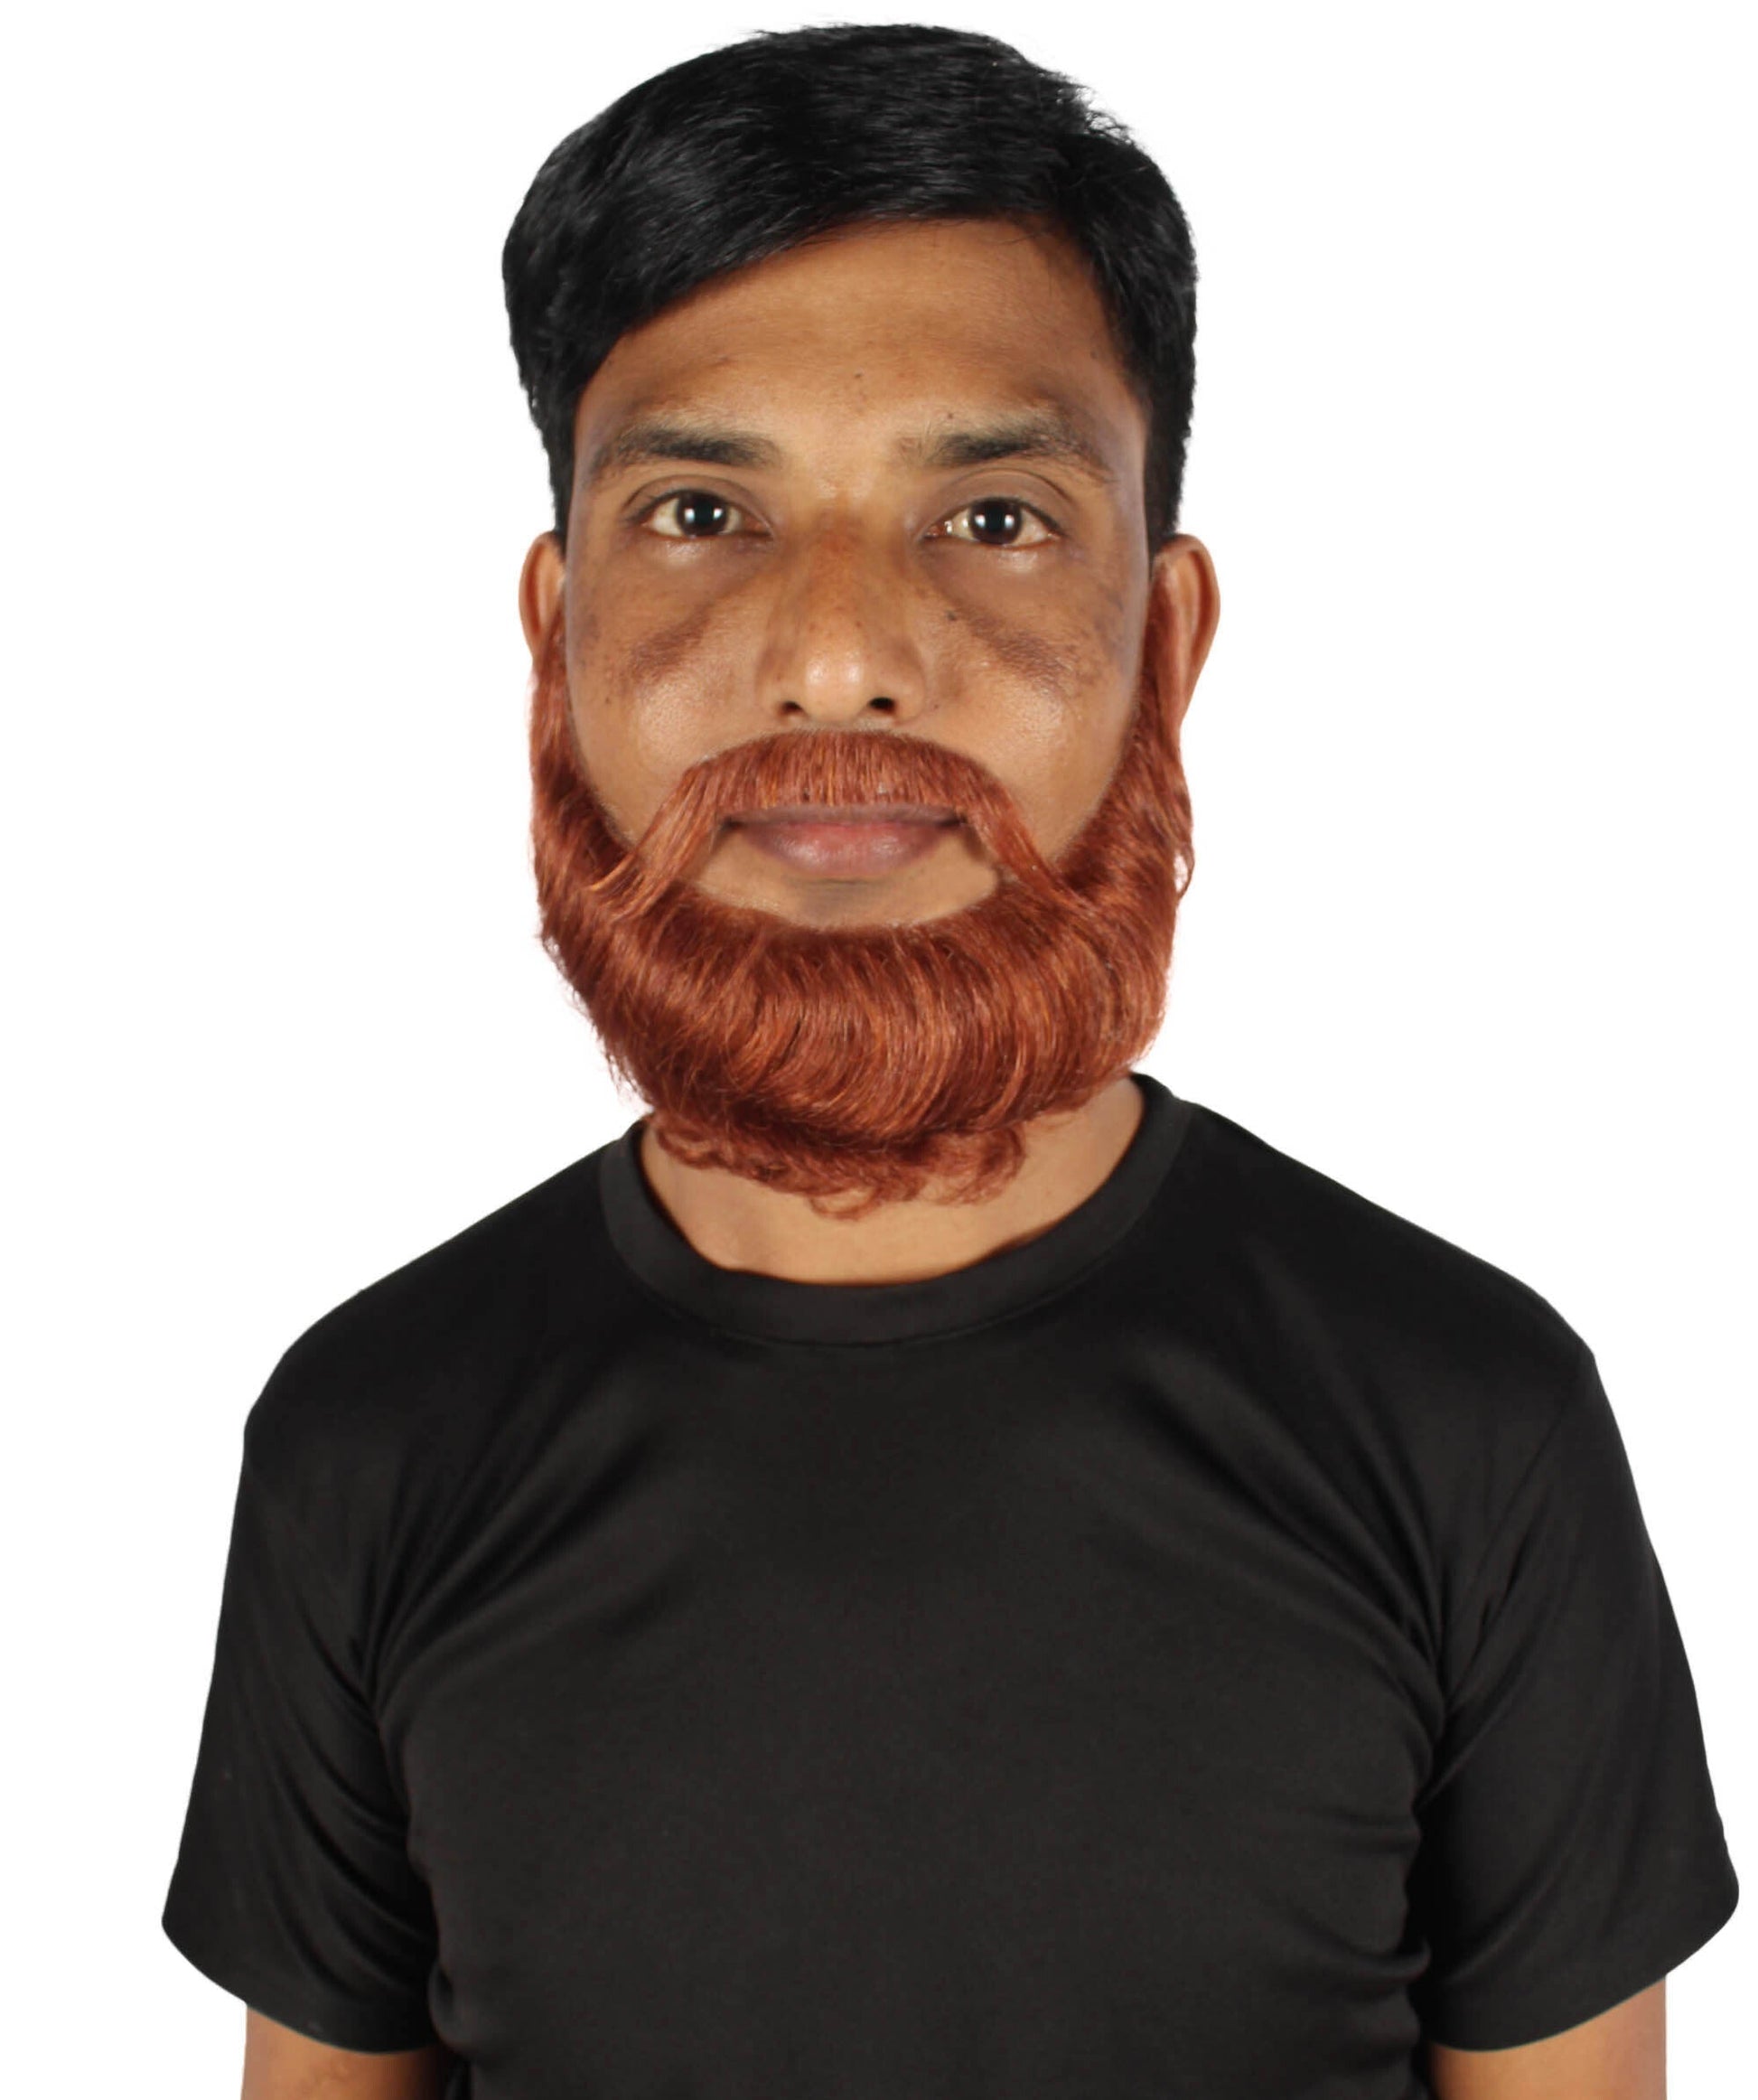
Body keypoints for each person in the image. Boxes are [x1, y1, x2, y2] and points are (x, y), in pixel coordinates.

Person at [162, 23, 1738, 2100]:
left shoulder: (1466, 1421)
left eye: (991, 515)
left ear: (1166, 639)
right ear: (553, 636)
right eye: (703, 508)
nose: (838, 657)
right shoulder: (370, 1437)